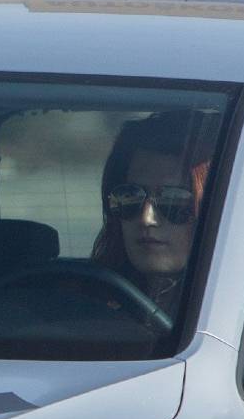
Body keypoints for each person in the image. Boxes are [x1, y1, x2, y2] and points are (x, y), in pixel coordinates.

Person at [88, 112, 211, 316]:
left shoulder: (230, 317)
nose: (147, 219)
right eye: (129, 197)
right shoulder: (83, 302)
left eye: (174, 201)